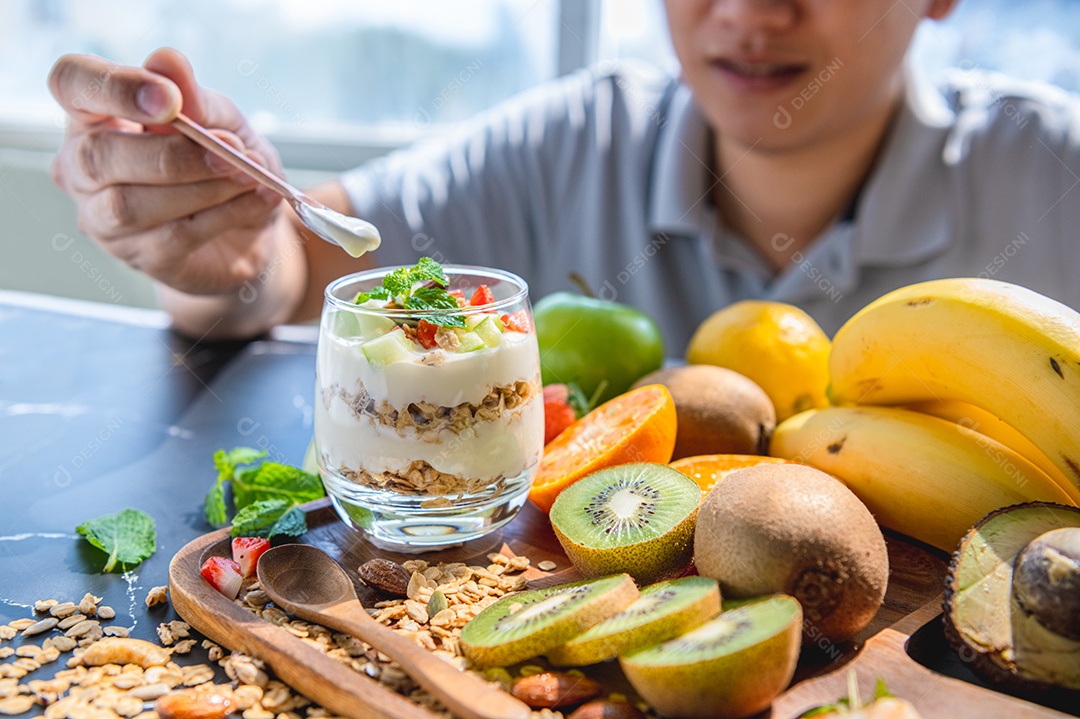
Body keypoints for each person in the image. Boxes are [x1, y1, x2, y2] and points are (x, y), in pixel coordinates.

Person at [47, 0, 1080, 352]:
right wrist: (210, 247)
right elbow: (288, 269)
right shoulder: (568, 144)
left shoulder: (1055, 180)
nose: (751, 15)